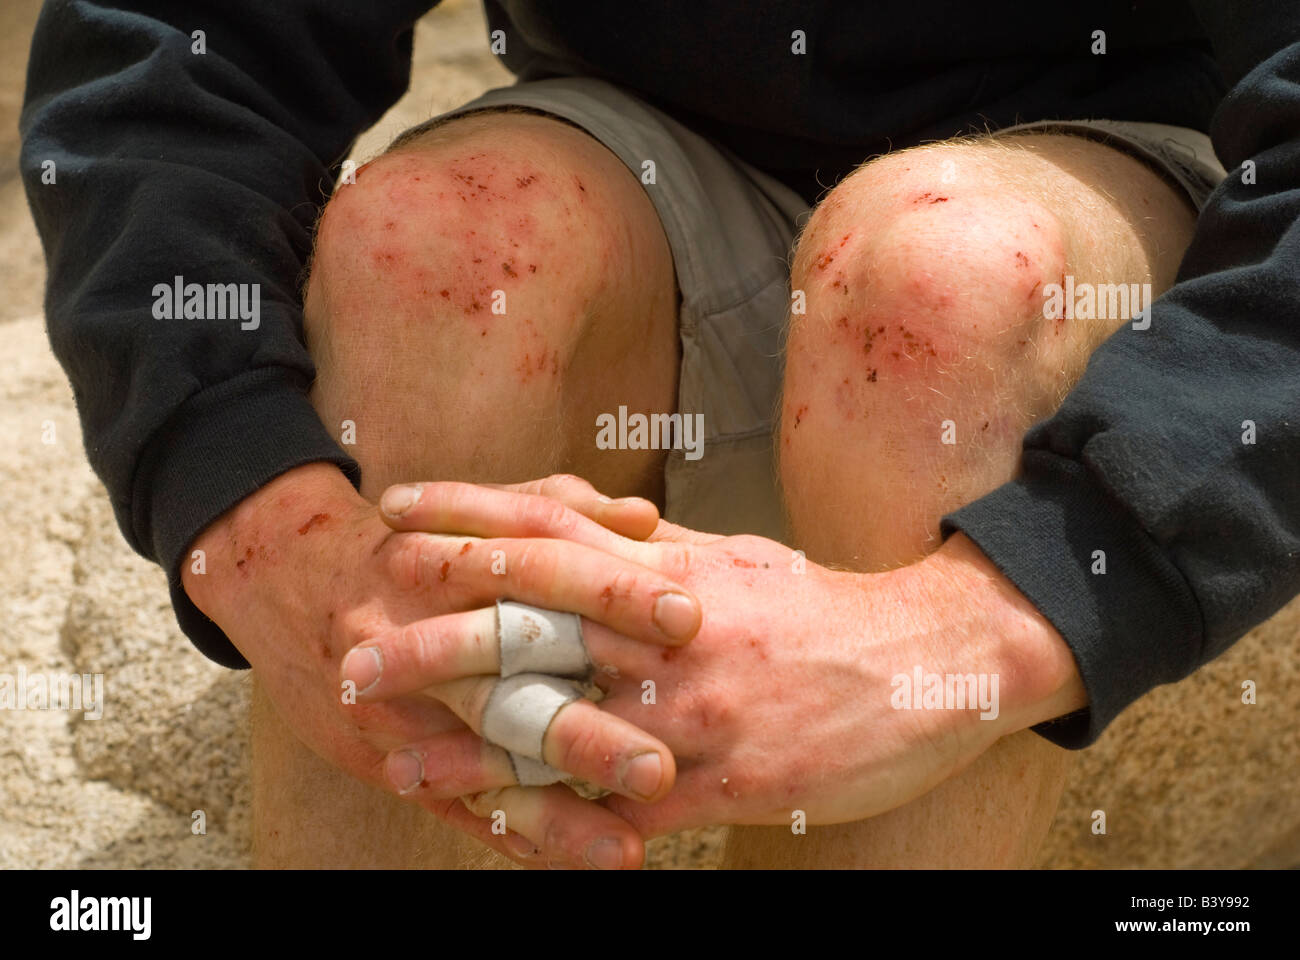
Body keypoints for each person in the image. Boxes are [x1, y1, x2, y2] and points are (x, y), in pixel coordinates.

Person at [21, 1, 1300, 869]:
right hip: (635, 174)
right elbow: (178, 50)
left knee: (945, 283)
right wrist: (258, 520)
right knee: (441, 254)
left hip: (1092, 194)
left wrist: (997, 621)